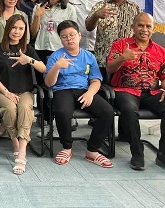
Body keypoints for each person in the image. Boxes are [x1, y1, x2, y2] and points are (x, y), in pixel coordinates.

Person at [106, 12, 165, 173]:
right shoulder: (121, 45)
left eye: (148, 26)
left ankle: (164, 155)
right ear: (133, 27)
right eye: (140, 25)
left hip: (152, 92)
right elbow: (109, 69)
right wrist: (123, 58)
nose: (144, 29)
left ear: (153, 30)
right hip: (125, 90)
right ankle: (137, 152)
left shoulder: (161, 51)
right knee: (129, 109)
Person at [44, 20, 114, 168]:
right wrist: (57, 67)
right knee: (62, 111)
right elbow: (49, 83)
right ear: (60, 39)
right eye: (64, 36)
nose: (69, 39)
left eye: (72, 35)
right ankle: (67, 148)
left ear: (79, 35)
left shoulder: (89, 56)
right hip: (62, 90)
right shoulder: (56, 57)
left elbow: (95, 80)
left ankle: (92, 151)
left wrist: (90, 93)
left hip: (84, 90)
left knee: (107, 111)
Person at [0, 14, 46, 174]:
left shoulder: (27, 49)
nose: (17, 31)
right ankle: (14, 141)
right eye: (13, 27)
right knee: (10, 108)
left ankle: (22, 150)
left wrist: (30, 60)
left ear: (25, 30)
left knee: (26, 108)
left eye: (21, 28)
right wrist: (6, 92)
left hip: (24, 91)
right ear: (7, 29)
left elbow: (43, 68)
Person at [86, 0, 141, 74]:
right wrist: (96, 16)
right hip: (103, 61)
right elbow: (88, 27)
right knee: (103, 88)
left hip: (127, 61)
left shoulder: (135, 8)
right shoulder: (99, 6)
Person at [30, 0, 78, 64]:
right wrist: (37, 16)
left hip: (60, 48)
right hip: (41, 48)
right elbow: (33, 33)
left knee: (57, 76)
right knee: (41, 76)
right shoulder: (38, 7)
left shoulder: (69, 9)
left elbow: (72, 32)